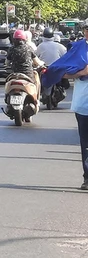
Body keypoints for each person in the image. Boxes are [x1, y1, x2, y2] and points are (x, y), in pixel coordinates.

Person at [42, 21, 88, 189]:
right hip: (84, 104)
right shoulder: (77, 48)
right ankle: (87, 178)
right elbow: (63, 72)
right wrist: (80, 72)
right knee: (86, 142)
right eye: (86, 29)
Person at [6, 28, 43, 93]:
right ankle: (36, 100)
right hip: (28, 74)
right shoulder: (28, 48)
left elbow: (7, 63)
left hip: (15, 74)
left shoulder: (11, 49)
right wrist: (41, 63)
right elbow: (37, 62)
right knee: (36, 82)